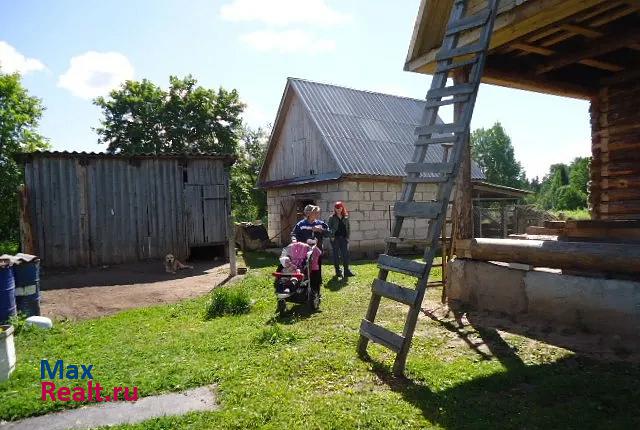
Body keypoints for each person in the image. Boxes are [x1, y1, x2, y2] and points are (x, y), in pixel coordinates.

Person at [291, 205, 328, 294]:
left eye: (317, 212)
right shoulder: (301, 224)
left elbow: (329, 233)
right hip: (303, 252)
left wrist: (321, 230)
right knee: (303, 269)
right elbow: (293, 234)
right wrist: (294, 240)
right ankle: (303, 289)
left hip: (317, 252)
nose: (316, 214)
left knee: (316, 271)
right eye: (314, 212)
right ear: (308, 213)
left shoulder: (320, 223)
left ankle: (316, 292)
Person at [328, 201, 354, 278]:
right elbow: (329, 228)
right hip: (335, 239)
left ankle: (346, 271)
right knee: (336, 255)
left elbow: (348, 228)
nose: (338, 209)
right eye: (336, 208)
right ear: (335, 209)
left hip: (343, 239)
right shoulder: (332, 217)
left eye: (339, 208)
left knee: (345, 255)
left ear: (342, 208)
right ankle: (338, 271)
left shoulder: (345, 217)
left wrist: (348, 237)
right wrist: (331, 236)